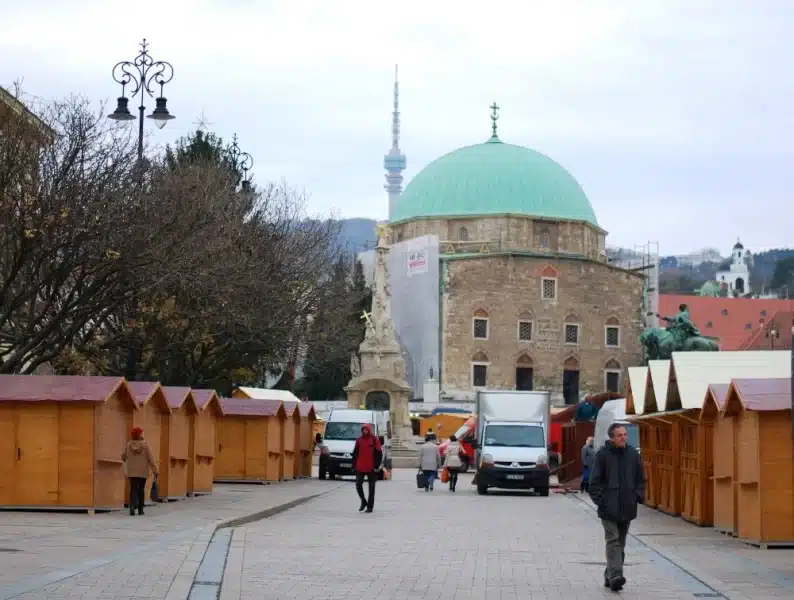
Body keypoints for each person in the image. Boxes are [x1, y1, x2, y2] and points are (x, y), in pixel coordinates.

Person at [588, 423, 645, 592]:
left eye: (625, 434)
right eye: (619, 435)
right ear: (612, 438)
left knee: (620, 543)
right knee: (612, 541)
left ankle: (609, 574)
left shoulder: (633, 455)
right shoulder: (603, 455)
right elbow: (595, 482)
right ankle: (616, 576)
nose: (623, 438)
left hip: (627, 507)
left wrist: (637, 496)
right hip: (608, 508)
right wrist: (602, 501)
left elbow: (640, 479)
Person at [121, 427, 158, 516]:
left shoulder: (128, 445)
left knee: (133, 489)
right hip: (142, 471)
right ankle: (141, 509)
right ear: (140, 434)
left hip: (132, 471)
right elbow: (151, 459)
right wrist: (155, 470)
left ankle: (132, 507)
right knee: (141, 489)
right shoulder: (145, 445)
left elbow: (123, 457)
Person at [352, 424, 382, 513]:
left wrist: (376, 466)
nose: (364, 431)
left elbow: (379, 453)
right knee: (358, 484)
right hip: (360, 466)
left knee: (371, 488)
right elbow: (355, 453)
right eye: (363, 430)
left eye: (366, 429)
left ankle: (370, 506)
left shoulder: (374, 439)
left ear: (369, 430)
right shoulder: (359, 440)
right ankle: (363, 501)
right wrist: (354, 465)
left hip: (371, 467)